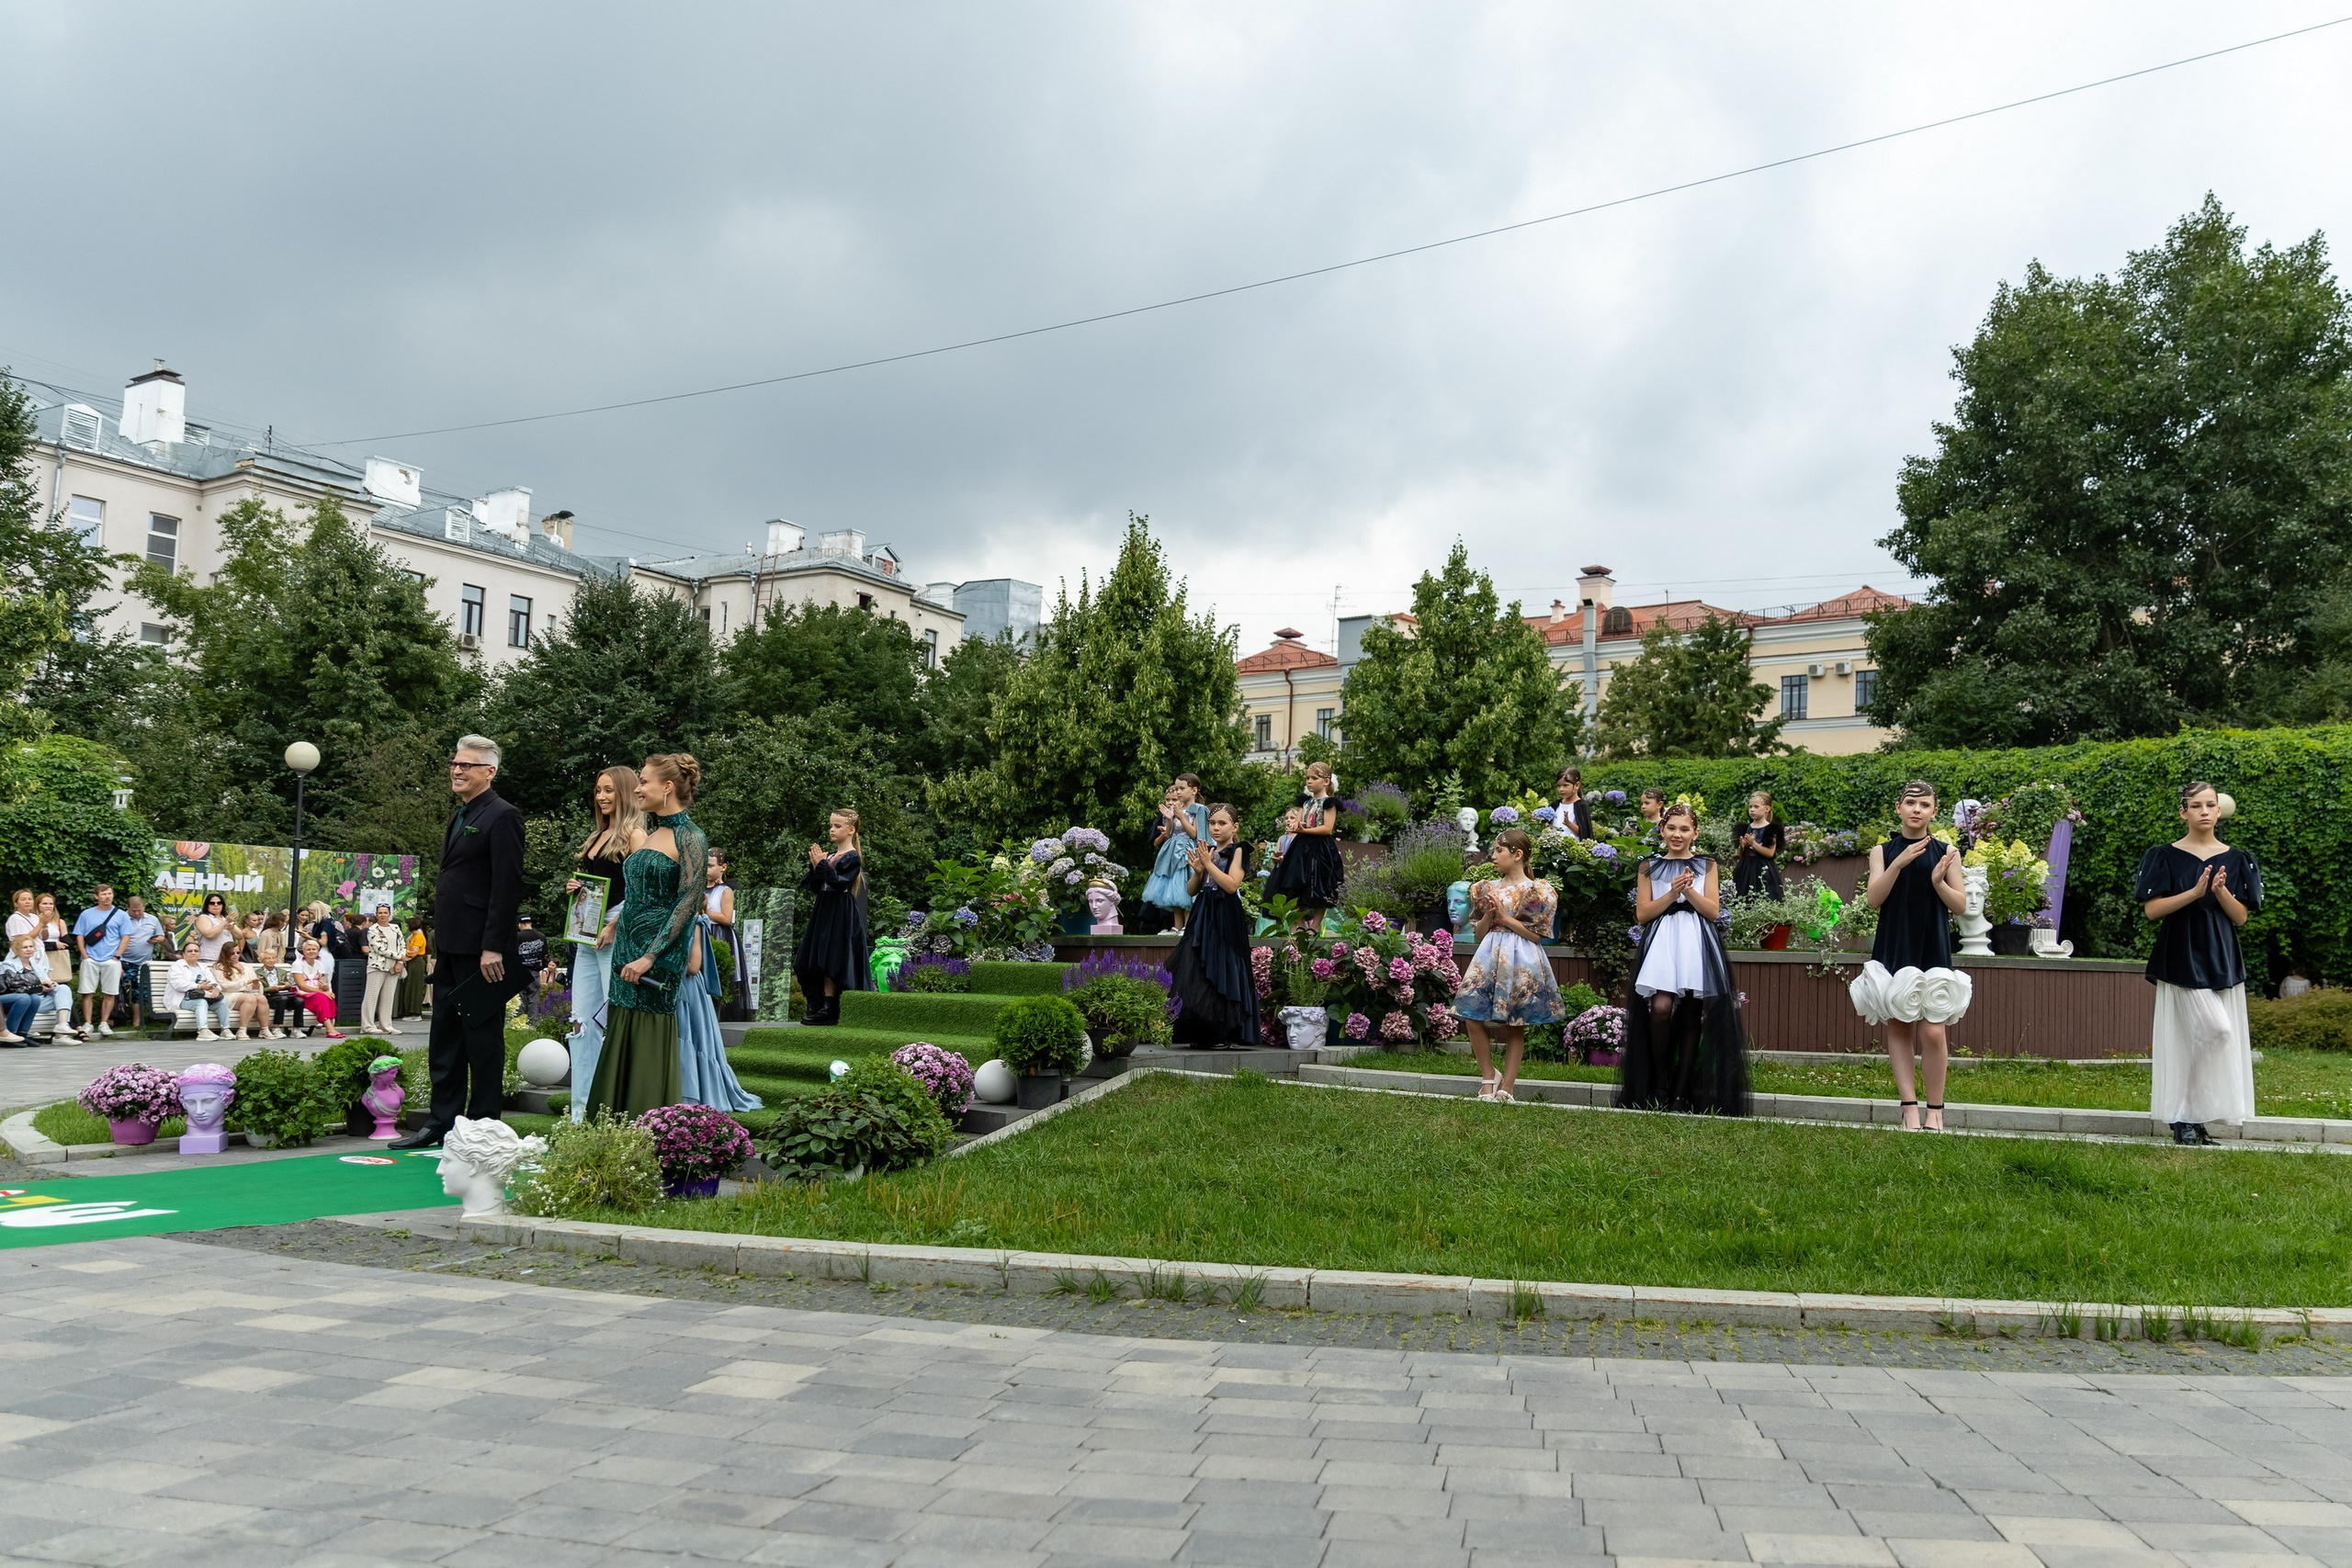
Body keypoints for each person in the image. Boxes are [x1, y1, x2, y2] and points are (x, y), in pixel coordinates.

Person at [392, 735, 526, 1149]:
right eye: (454, 763)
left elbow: (506, 886)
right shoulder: (459, 815)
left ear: (490, 771)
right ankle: (441, 1121)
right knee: (444, 1036)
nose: (456, 770)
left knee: (482, 1038)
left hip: (481, 950)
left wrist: (492, 946)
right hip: (450, 945)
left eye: (467, 765)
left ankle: (484, 1125)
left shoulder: (503, 815)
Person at [2137, 782, 2260, 1145]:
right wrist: (2193, 893)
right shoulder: (2163, 855)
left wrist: (2221, 891)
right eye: (2196, 805)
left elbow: (2240, 918)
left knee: (2205, 1038)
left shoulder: (2239, 858)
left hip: (2220, 954)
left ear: (2219, 811)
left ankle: (2191, 1117)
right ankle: (2186, 1115)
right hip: (2180, 953)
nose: (2204, 811)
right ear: (2184, 812)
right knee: (2215, 1031)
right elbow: (2151, 910)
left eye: (2210, 805)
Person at [584, 753, 707, 1118]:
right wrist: (614, 925)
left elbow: (687, 904)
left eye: (644, 782)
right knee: (619, 1037)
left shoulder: (691, 837)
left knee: (647, 1046)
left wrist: (650, 956)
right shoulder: (653, 833)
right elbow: (636, 898)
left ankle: (642, 1132)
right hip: (626, 953)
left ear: (667, 788)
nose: (636, 789)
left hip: (655, 961)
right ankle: (607, 1135)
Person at [1852, 780, 1972, 1132]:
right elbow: (1875, 899)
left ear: (1934, 811)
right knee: (1901, 1023)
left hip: (1931, 942)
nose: (1916, 810)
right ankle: (1909, 1108)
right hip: (1897, 941)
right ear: (1898, 808)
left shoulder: (1948, 851)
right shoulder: (1882, 851)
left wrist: (1938, 883)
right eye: (1910, 803)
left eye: (1924, 805)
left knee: (1934, 1030)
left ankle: (1936, 1108)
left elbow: (1961, 906)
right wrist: (1898, 864)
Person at [1619, 803, 1751, 1115]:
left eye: (1684, 829)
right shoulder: (1648, 866)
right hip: (1663, 939)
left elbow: (1713, 912)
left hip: (1695, 939)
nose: (1677, 834)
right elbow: (1642, 915)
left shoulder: (1706, 864)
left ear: (1695, 833)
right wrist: (1671, 893)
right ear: (1662, 830)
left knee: (1692, 1013)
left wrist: (1689, 891)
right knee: (1661, 1008)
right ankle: (1660, 1083)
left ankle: (1680, 1092)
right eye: (1672, 828)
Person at [1453, 829, 1564, 1102]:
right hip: (1489, 956)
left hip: (1521, 959)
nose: (1493, 856)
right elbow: (1478, 933)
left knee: (1516, 1022)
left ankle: (1508, 1087)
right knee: (1471, 1012)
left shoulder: (1537, 891)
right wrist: (1490, 916)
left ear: (1517, 855)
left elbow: (1536, 935)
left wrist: (1505, 916)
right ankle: (1489, 1076)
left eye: (1499, 851)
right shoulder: (1485, 889)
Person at [563, 765, 639, 1122]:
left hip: (615, 928)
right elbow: (595, 884)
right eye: (597, 790)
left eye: (609, 790)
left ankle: (615, 1107)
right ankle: (580, 1111)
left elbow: (644, 894)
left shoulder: (636, 835)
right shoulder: (597, 836)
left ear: (625, 792)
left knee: (612, 1018)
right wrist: (575, 890)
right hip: (586, 929)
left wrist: (615, 925)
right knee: (581, 1020)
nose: (602, 796)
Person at [1169, 804, 1258, 1047]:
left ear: (1234, 827)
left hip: (1225, 916)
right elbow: (1191, 890)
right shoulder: (1206, 849)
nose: (1216, 828)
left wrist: (1208, 864)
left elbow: (1231, 885)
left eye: (1222, 823)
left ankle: (1222, 1032)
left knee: (1223, 968)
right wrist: (1198, 871)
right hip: (1203, 913)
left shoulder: (1239, 849)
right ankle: (1201, 1030)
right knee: (1196, 967)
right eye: (1212, 823)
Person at [678, 886, 762, 1112]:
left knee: (692, 1039)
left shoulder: (695, 921)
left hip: (688, 991)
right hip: (676, 989)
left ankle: (695, 1092)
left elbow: (694, 966)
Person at [793, 808, 870, 1027]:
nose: (832, 830)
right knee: (810, 957)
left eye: (837, 826)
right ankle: (817, 1004)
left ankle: (829, 1006)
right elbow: (816, 886)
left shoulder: (853, 857)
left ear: (851, 829)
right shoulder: (828, 856)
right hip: (823, 910)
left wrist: (823, 865)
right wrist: (817, 865)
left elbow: (840, 883)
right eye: (831, 825)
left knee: (833, 958)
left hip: (840, 912)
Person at [1265, 761, 1344, 930]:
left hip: (1321, 848)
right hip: (1301, 848)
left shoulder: (1329, 803)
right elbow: (1300, 822)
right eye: (1307, 778)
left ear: (1326, 781)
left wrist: (1304, 830)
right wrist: (1296, 826)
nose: (1309, 781)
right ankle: (1300, 924)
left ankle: (1314, 927)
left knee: (1321, 884)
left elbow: (1327, 828)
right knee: (1294, 882)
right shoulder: (1305, 802)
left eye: (1314, 778)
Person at [1142, 774, 1211, 933]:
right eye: (1177, 788)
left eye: (1182, 788)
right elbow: (1169, 834)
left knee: (1186, 884)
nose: (1178, 792)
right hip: (1172, 851)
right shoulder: (1177, 809)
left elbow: (1196, 834)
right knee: (1173, 887)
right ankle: (1177, 925)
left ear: (1194, 790)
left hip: (1188, 850)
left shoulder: (1199, 809)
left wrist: (1181, 817)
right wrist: (1170, 820)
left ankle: (1188, 925)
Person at [72, 883, 131, 1038]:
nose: (107, 897)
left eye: (110, 894)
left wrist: (117, 956)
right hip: (90, 958)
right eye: (104, 894)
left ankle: (104, 1023)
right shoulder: (86, 914)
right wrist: (84, 955)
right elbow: (79, 935)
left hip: (112, 959)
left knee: (110, 993)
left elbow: (125, 936)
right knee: (87, 992)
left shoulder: (121, 914)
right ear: (96, 896)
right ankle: (88, 1023)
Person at [706, 846, 748, 1023]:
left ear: (723, 867)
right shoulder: (698, 888)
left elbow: (726, 917)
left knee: (723, 978)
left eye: (710, 865)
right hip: (703, 932)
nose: (706, 870)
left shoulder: (725, 891)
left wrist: (704, 912)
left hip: (719, 935)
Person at [116, 893, 165, 1030]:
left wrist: (156, 939)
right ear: (127, 908)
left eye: (140, 910)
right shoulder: (120, 918)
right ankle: (114, 1019)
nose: (137, 913)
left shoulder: (152, 919)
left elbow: (161, 936)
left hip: (144, 962)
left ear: (144, 907)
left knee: (139, 993)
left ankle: (137, 1022)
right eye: (134, 911)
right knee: (119, 990)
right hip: (124, 960)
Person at [0, 932, 61, 1043]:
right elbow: (14, 983)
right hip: (5, 998)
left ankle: (23, 1034)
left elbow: (38, 983)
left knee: (34, 998)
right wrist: (39, 983)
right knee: (24, 998)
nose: (29, 949)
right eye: (25, 947)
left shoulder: (36, 965)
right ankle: (10, 1034)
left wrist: (46, 986)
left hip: (27, 995)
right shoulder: (9, 964)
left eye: (31, 946)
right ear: (17, 950)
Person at [162, 937, 226, 1040]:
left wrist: (215, 988)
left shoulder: (203, 966)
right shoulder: (177, 966)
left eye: (196, 951)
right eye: (189, 951)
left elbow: (212, 980)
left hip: (204, 996)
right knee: (200, 1002)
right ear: (183, 954)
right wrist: (199, 986)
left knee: (222, 1002)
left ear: (200, 953)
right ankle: (203, 1031)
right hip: (182, 999)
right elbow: (178, 985)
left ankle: (225, 1030)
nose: (193, 953)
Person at [34, 894, 77, 1037]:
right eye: (44, 903)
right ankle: (74, 1027)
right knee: (45, 990)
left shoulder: (59, 922)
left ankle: (70, 1026)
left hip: (55, 960)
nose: (48, 906)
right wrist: (53, 944)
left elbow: (68, 943)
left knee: (63, 990)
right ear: (38, 905)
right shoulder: (34, 920)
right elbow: (30, 943)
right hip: (38, 958)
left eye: (51, 904)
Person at [361, 904, 408, 1035]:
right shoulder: (372, 929)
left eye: (385, 912)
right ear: (376, 915)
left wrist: (399, 962)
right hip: (377, 966)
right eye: (380, 913)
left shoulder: (395, 928)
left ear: (389, 914)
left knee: (388, 997)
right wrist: (400, 957)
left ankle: (386, 1026)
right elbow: (378, 948)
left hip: (394, 966)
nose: (382, 915)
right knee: (371, 996)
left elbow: (402, 944)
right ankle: (368, 1026)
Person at [1732, 791, 1784, 903]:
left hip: (1763, 869)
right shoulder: (1746, 828)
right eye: (1750, 806)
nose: (1752, 809)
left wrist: (1753, 844)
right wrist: (1743, 846)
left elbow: (1770, 853)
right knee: (1743, 897)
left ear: (1767, 809)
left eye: (1756, 806)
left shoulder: (1770, 829)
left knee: (1764, 897)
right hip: (1745, 868)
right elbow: (1740, 854)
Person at [289, 936, 345, 1037]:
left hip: (317, 994)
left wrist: (325, 988)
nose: (311, 952)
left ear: (318, 951)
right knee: (322, 997)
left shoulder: (320, 964)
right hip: (302, 995)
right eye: (308, 950)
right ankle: (330, 1029)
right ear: (304, 952)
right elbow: (302, 986)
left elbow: (324, 983)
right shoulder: (297, 964)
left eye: (314, 949)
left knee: (330, 997)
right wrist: (323, 992)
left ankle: (331, 1028)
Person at [211, 947, 267, 1041]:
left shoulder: (246, 966)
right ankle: (242, 1029)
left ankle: (264, 1030)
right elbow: (223, 986)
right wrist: (245, 983)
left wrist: (256, 983)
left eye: (238, 952)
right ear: (225, 953)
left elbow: (255, 987)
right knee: (250, 998)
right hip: (228, 994)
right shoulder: (219, 966)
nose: (235, 955)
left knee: (262, 998)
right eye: (232, 953)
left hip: (247, 993)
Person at [254, 937, 304, 1039]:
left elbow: (288, 987)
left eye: (273, 958)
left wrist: (287, 985)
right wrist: (271, 989)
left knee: (299, 1001)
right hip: (268, 997)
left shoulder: (282, 972)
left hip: (282, 994)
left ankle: (296, 1029)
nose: (271, 960)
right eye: (268, 958)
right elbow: (258, 989)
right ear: (262, 960)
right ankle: (276, 1028)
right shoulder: (257, 973)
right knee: (282, 999)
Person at [513, 913, 550, 1021]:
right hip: (535, 972)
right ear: (530, 923)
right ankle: (533, 1023)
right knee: (534, 998)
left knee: (519, 999)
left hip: (520, 971)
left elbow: (512, 954)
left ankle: (518, 1023)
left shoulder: (517, 937)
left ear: (519, 924)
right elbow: (545, 954)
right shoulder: (541, 936)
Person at [191, 892, 233, 964]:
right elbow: (209, 935)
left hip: (228, 957)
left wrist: (233, 927)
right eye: (212, 903)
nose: (216, 905)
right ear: (207, 905)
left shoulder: (225, 918)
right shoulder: (203, 918)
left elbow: (240, 936)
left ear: (223, 905)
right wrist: (226, 923)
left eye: (219, 903)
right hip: (210, 957)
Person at [1552, 768, 1593, 840]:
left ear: (1577, 785)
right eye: (1558, 786)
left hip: (1573, 847)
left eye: (1565, 785)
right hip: (1554, 848)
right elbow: (1550, 827)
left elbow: (1584, 833)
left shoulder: (1581, 805)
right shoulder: (1555, 804)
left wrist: (1568, 824)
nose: (1561, 789)